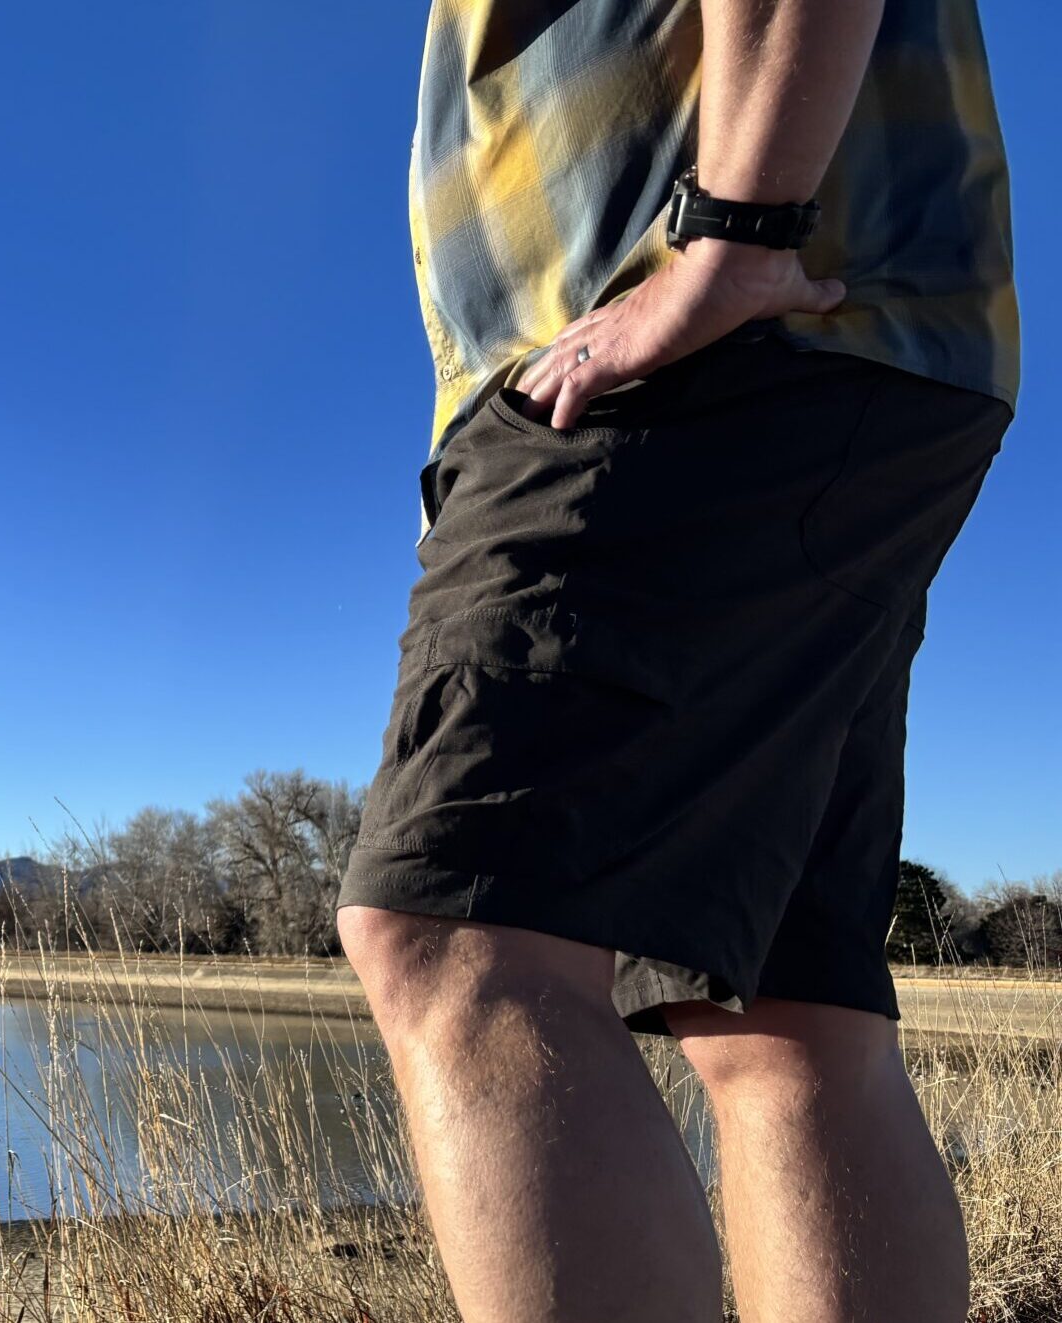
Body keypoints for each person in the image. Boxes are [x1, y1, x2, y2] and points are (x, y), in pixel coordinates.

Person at [335, 1, 1017, 1320]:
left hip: (719, 314)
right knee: (773, 1006)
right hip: (817, 335)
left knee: (457, 931)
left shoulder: (732, 263)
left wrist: (738, 233)